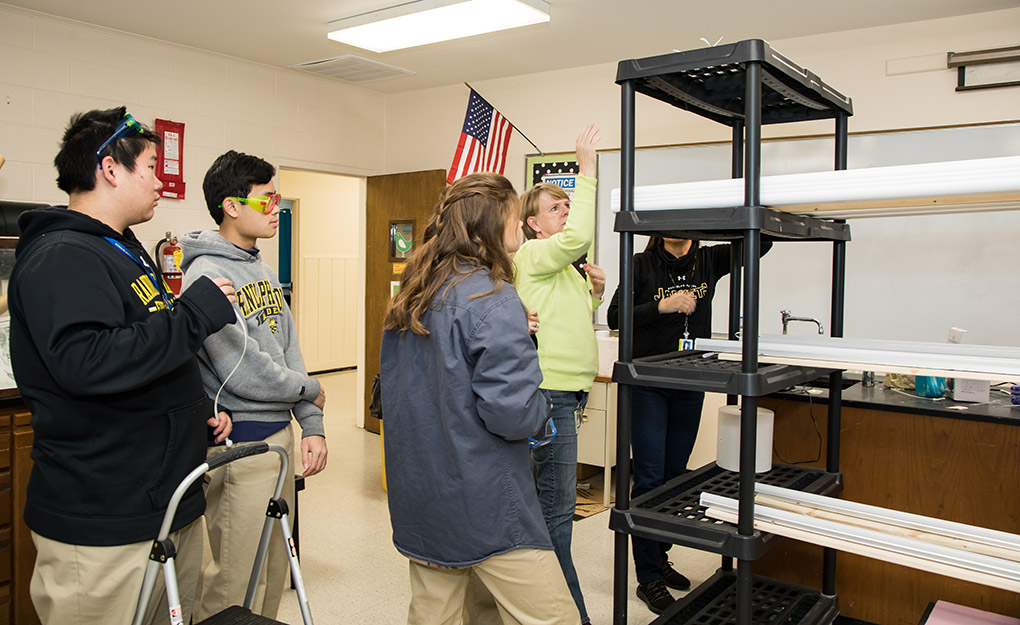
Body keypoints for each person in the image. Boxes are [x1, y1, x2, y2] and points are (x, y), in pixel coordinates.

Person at [8, 106, 236, 625]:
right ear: (110, 169)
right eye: (152, 167)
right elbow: (87, 363)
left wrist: (193, 410)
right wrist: (194, 315)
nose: (162, 181)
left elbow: (145, 346)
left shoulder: (123, 250)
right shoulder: (63, 255)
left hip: (163, 503)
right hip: (105, 520)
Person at [381, 172, 580, 625]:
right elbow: (511, 415)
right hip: (486, 497)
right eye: (515, 215)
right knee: (552, 617)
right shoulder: (494, 298)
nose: (520, 225)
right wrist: (543, 407)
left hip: (422, 489)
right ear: (493, 224)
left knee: (439, 612)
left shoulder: (413, 293)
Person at [180, 150, 328, 620]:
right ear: (231, 205)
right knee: (235, 578)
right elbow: (243, 369)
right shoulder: (205, 275)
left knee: (272, 571)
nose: (276, 209)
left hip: (278, 437)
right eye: (266, 199)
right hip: (239, 446)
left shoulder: (264, 271)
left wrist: (312, 423)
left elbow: (289, 350)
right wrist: (307, 390)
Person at [606, 236, 771, 615]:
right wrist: (661, 306)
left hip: (690, 383)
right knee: (648, 480)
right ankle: (648, 577)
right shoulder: (641, 264)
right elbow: (617, 316)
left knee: (675, 479)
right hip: (647, 384)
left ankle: (659, 557)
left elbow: (761, 244)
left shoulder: (710, 259)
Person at [512, 124, 603, 625]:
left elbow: (567, 318)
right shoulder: (532, 254)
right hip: (550, 396)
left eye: (568, 206)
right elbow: (579, 238)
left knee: (549, 514)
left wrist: (597, 292)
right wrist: (585, 172)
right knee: (556, 521)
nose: (565, 215)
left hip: (568, 393)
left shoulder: (563, 265)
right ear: (531, 224)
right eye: (555, 209)